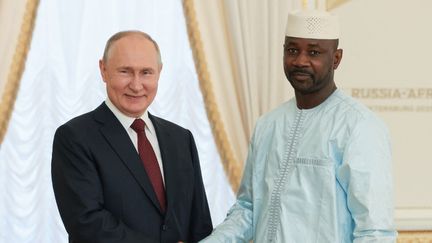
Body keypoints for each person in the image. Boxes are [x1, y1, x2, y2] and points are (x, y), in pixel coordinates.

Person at [200, 9, 397, 243]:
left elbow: (375, 233)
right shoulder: (268, 125)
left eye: (314, 52)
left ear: (336, 58)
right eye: (292, 50)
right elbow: (248, 210)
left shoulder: (360, 127)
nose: (301, 61)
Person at [52, 30, 212, 243]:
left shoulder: (181, 139)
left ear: (159, 72)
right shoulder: (74, 137)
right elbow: (87, 223)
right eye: (125, 72)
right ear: (103, 70)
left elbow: (199, 222)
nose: (137, 85)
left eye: (146, 72)